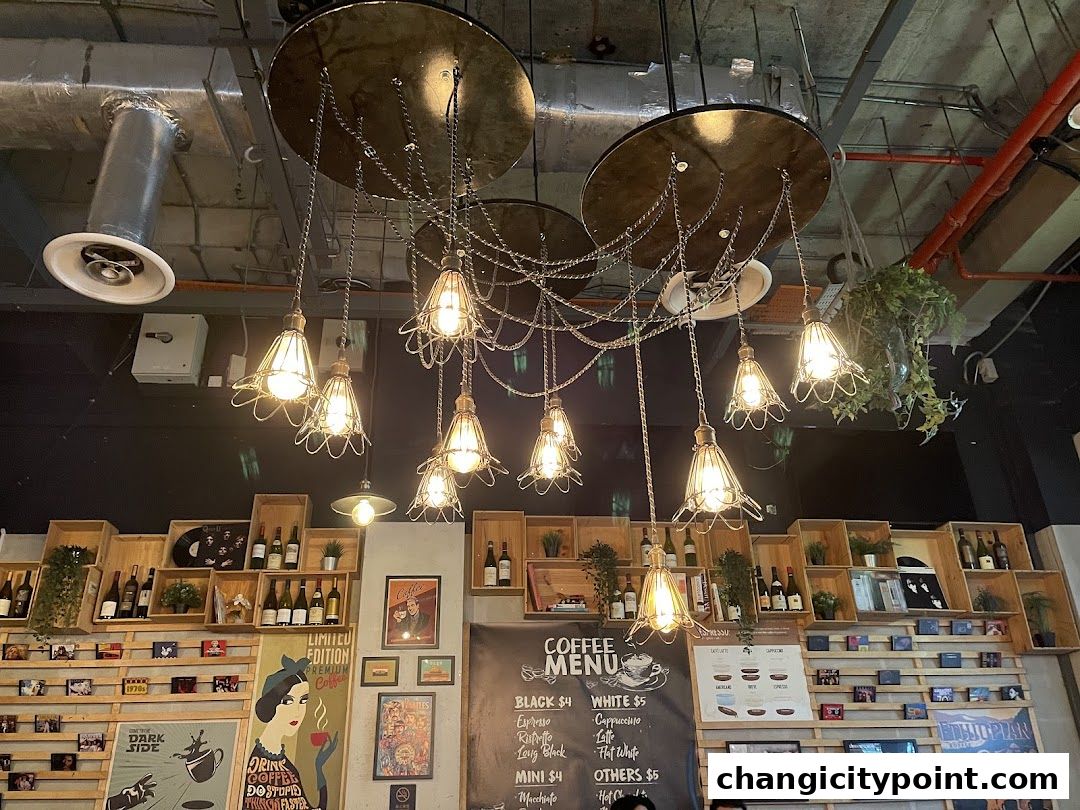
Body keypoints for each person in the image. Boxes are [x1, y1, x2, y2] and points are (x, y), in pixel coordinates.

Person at [242, 655, 339, 810]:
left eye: (303, 701)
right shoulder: (255, 767)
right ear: (271, 703)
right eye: (288, 701)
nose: (297, 711)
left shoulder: (288, 768)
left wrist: (319, 768)